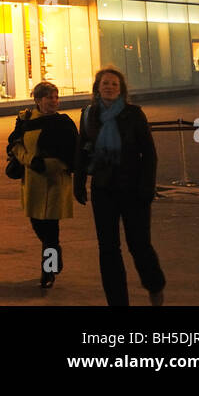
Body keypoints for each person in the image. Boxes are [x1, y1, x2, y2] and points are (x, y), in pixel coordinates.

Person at [74, 66, 166, 306]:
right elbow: (82, 150)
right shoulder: (88, 115)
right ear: (97, 88)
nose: (109, 87)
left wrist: (148, 187)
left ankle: (155, 286)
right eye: (105, 83)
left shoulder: (134, 114)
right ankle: (117, 301)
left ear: (121, 89)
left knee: (139, 245)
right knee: (108, 249)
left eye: (114, 84)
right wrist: (79, 181)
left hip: (134, 189)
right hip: (103, 190)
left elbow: (149, 154)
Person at [8, 81, 77, 289]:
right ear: (38, 100)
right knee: (38, 226)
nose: (53, 102)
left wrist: (50, 164)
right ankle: (55, 253)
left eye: (56, 97)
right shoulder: (26, 120)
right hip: (33, 183)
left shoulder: (64, 123)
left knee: (50, 231)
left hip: (55, 183)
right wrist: (30, 160)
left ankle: (48, 271)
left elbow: (74, 154)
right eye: (49, 98)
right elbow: (14, 145)